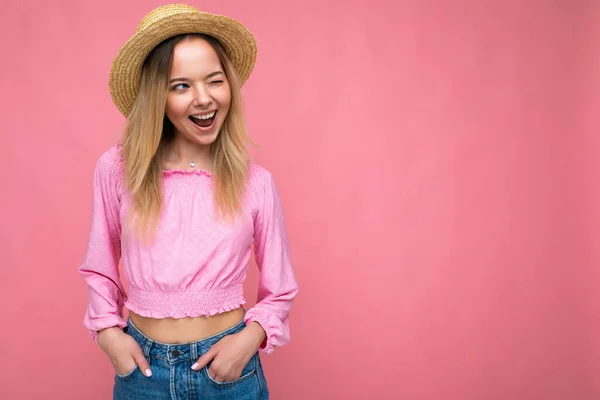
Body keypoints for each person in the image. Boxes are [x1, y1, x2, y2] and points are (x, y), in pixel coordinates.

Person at [77, 4, 299, 399]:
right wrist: (109, 333)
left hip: (229, 374)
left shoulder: (256, 183)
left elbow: (280, 289)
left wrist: (249, 341)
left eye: (214, 81)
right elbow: (99, 266)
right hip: (143, 376)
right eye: (180, 86)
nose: (203, 99)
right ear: (156, 96)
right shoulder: (118, 169)